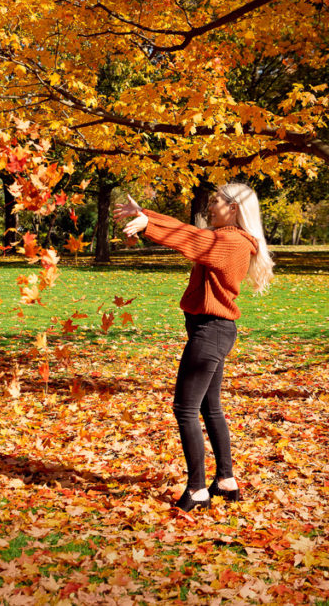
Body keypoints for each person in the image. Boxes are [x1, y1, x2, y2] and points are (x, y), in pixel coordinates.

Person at [113, 185, 274, 511]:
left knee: (184, 409)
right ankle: (226, 480)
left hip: (210, 333)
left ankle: (198, 489)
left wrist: (149, 224)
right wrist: (146, 216)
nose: (210, 206)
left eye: (216, 200)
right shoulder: (228, 238)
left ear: (233, 208)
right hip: (211, 331)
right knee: (209, 406)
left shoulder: (230, 243)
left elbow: (193, 240)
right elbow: (194, 234)